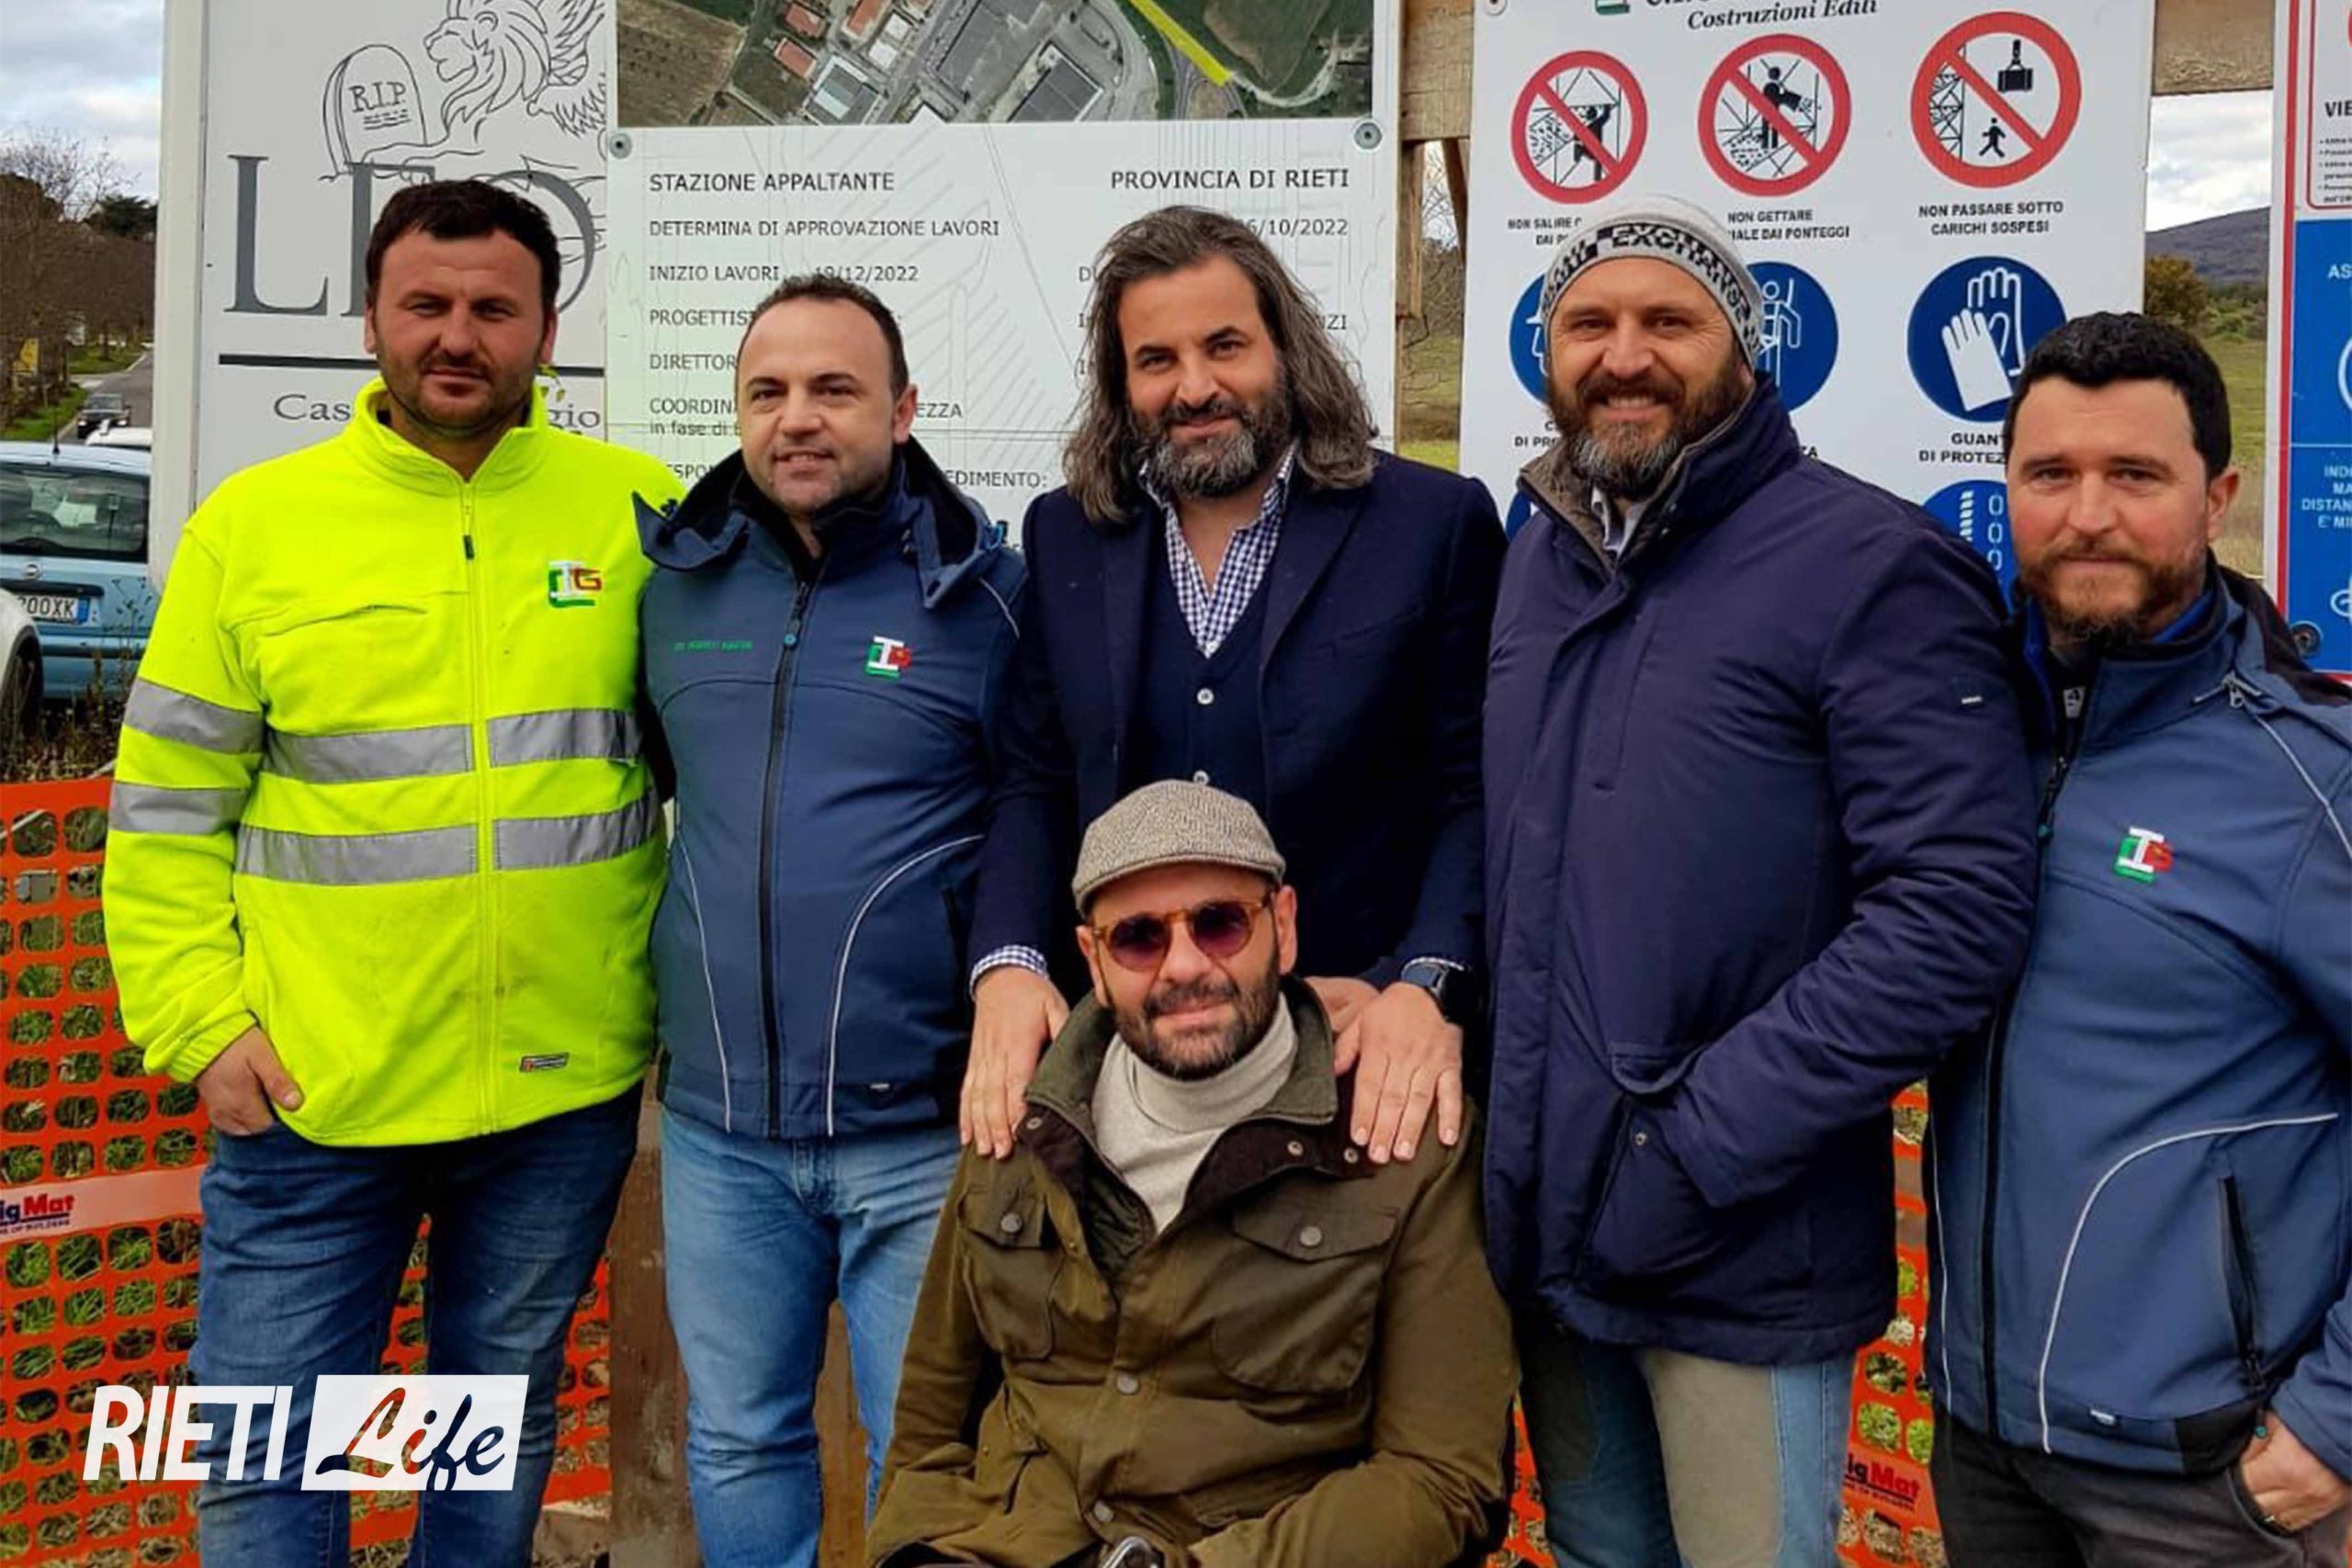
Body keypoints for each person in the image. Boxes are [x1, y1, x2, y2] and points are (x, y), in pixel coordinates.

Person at [105, 178, 682, 1565]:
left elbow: (713, 770)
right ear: (370, 319)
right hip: (313, 1093)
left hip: (556, 1093)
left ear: (548, 332)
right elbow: (167, 810)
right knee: (265, 1453)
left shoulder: (640, 513)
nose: (457, 335)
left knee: (488, 1445)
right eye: (425, 303)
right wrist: (201, 1025)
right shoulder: (256, 527)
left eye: (494, 308)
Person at [1482, 193, 2039, 1567]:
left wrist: (1699, 1141)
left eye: (1667, 321)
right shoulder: (1541, 558)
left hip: (1736, 1241)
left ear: (1744, 349)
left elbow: (1955, 909)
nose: (1623, 355)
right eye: (1587, 324)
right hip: (1554, 1233)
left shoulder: (1873, 565)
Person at [1926, 311, 2352, 1566]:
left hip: (2208, 1478)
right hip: (1982, 1443)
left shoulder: (2306, 775)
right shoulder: (1958, 731)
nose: (2088, 515)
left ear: (2217, 496)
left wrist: (2331, 1427)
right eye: (2049, 474)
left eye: (2135, 474)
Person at [965, 204, 1501, 1176]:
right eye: (1156, 360)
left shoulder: (1432, 523)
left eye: (1224, 346)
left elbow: (1474, 792)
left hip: (1358, 1060)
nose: (1195, 386)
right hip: (1130, 1062)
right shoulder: (1068, 534)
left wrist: (1424, 984)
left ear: (1284, 349)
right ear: (1120, 383)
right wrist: (1007, 963)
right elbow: (1035, 779)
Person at [871, 781, 1517, 1568]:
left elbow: (1441, 1479)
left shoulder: (1395, 1137)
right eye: (1138, 937)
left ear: (1283, 926)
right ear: (1093, 961)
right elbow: (928, 1424)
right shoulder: (1022, 1115)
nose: (1184, 966)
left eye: (1219, 923)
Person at [635, 274, 1026, 1566]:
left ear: (903, 410)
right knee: (739, 1437)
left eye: (834, 389)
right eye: (767, 391)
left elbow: (1038, 820)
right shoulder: (673, 591)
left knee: (931, 1449)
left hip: (922, 1134)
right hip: (719, 1132)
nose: (796, 417)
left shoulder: (990, 599)